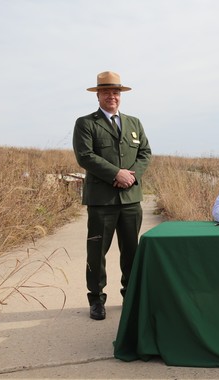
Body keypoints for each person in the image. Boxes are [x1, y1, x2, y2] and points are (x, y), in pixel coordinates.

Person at [73, 71, 152, 320]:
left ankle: (130, 296)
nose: (112, 96)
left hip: (130, 200)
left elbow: (145, 153)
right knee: (97, 253)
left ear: (121, 95)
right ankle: (96, 299)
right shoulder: (86, 123)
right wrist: (116, 173)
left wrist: (132, 176)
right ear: (98, 95)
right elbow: (85, 156)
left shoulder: (134, 123)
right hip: (101, 201)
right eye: (106, 92)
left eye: (116, 92)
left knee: (131, 251)